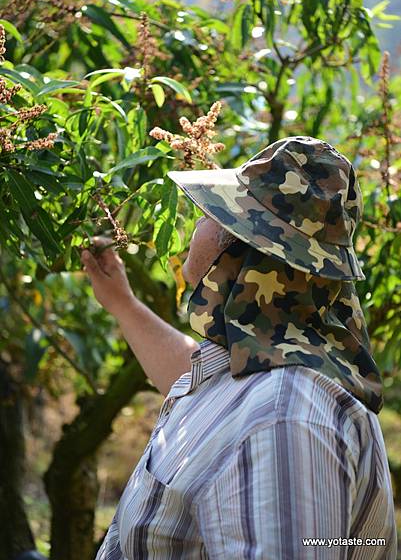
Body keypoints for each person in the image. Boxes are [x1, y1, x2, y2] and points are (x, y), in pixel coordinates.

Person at [82, 136, 397, 559]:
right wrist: (122, 304)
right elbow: (215, 400)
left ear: (243, 248)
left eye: (214, 212)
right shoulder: (266, 369)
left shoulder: (285, 418)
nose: (198, 221)